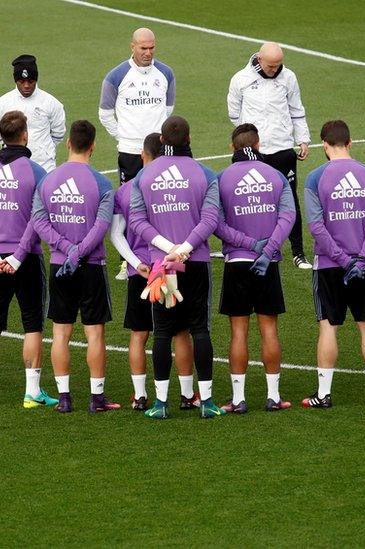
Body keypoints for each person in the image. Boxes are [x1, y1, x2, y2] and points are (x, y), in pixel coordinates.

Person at [129, 115, 225, 419]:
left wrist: (167, 249)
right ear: (190, 139)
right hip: (194, 262)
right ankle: (206, 402)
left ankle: (160, 404)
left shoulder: (143, 177)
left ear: (161, 141)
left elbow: (136, 221)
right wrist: (183, 249)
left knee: (162, 332)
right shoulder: (205, 174)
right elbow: (210, 220)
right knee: (199, 329)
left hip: (162, 267)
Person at [0, 111, 58, 409]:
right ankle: (32, 393)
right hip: (27, 259)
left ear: (1, 135)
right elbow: (39, 218)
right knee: (32, 324)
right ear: (25, 135)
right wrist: (18, 256)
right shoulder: (36, 172)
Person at [32, 120, 118, 413]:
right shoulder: (103, 184)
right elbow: (102, 226)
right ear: (93, 146)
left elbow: (40, 222)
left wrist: (67, 250)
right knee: (94, 333)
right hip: (92, 265)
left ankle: (65, 398)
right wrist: (80, 251)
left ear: (68, 142)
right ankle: (96, 399)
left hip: (60, 265)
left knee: (60, 334)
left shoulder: (47, 180)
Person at [301, 120, 365, 407]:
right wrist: (361, 258)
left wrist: (341, 259)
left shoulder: (314, 178)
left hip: (328, 264)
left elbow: (316, 226)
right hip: (363, 265)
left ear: (324, 145)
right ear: (350, 143)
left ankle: (324, 394)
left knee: (328, 326)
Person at [109, 132, 198, 411]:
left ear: (142, 156)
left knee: (140, 333)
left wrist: (136, 263)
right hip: (173, 266)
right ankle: (187, 395)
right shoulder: (180, 182)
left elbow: (116, 234)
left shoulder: (126, 189)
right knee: (181, 332)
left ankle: (140, 396)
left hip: (142, 273)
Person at [215, 124, 295, 413]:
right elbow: (288, 216)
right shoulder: (275, 176)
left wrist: (249, 244)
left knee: (238, 332)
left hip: (237, 262)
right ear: (258, 145)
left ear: (231, 148)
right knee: (269, 329)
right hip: (268, 265)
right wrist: (268, 248)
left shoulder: (222, 178)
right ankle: (273, 397)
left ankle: (238, 399)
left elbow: (217, 223)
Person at [227, 41, 312, 270]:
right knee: (250, 201)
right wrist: (250, 141)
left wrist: (302, 139)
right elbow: (234, 114)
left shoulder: (289, 77)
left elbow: (297, 110)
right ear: (259, 60)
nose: (275, 70)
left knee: (290, 200)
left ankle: (298, 252)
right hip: (255, 152)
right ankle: (245, 246)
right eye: (271, 66)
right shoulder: (241, 79)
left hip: (283, 149)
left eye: (279, 65)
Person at [99, 28, 176, 185]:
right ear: (132, 47)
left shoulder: (166, 73)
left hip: (158, 150)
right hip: (130, 150)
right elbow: (105, 114)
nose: (148, 53)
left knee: (159, 195)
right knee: (128, 196)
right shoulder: (115, 76)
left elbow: (168, 109)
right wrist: (122, 135)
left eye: (151, 48)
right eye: (143, 48)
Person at [0, 55, 66, 171]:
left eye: (30, 81)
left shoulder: (52, 103)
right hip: (12, 166)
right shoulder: (1, 104)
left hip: (45, 166)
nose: (26, 85)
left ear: (36, 79)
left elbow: (58, 134)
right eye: (21, 81)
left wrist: (43, 151)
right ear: (16, 80)